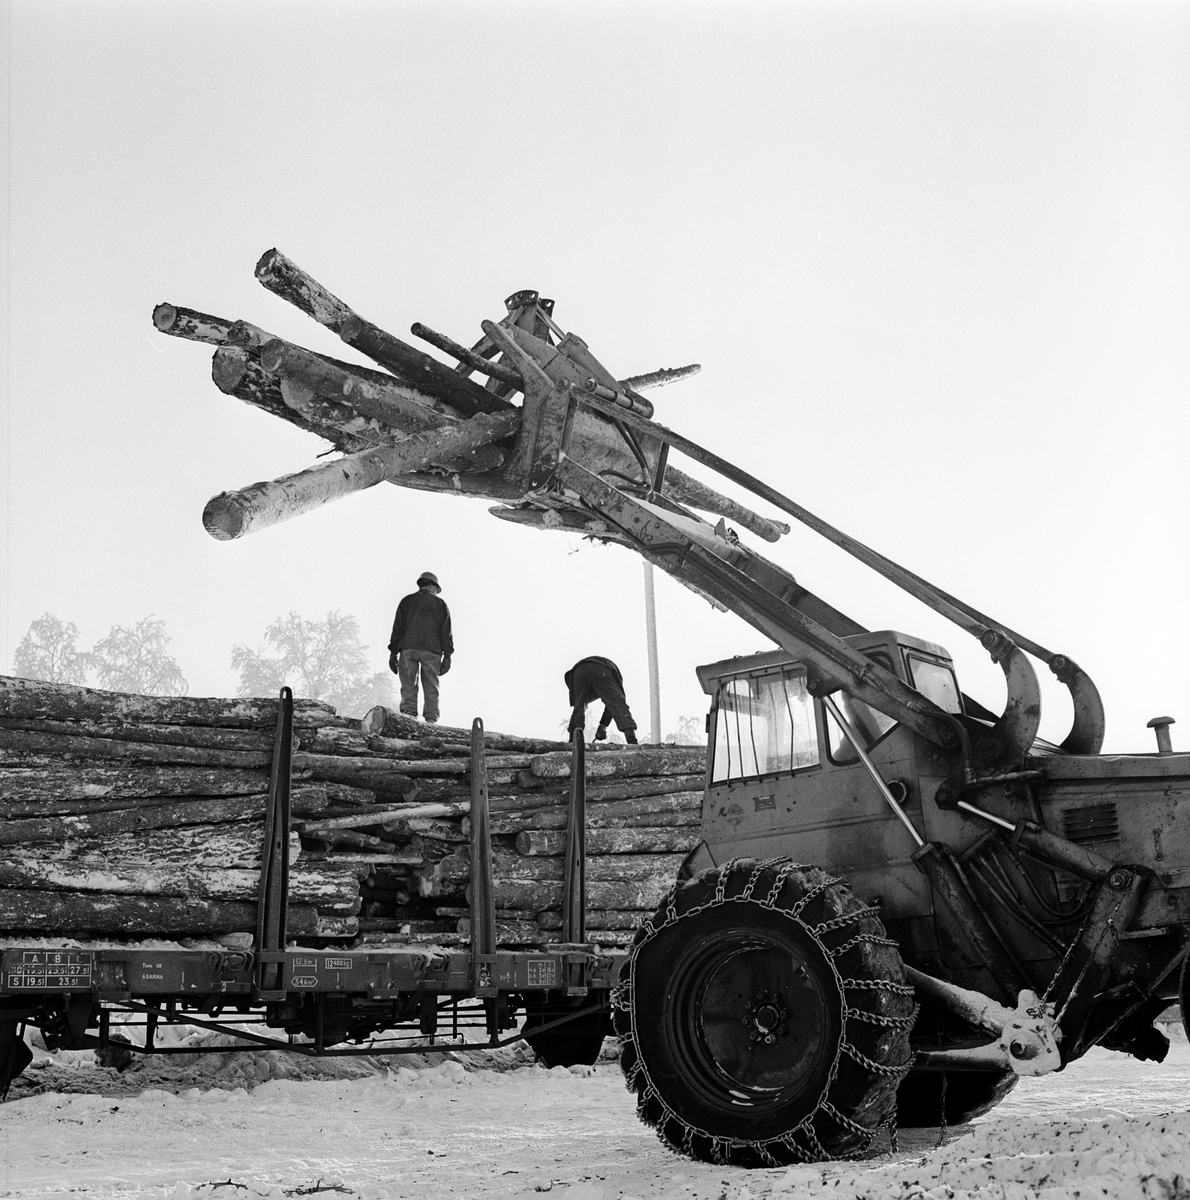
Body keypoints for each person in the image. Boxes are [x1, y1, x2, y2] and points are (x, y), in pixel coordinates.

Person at [388, 572, 453, 724]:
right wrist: (448, 656)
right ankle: (431, 720)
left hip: (408, 649)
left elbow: (397, 629)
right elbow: (446, 632)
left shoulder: (406, 601)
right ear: (432, 586)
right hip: (432, 651)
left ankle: (408, 717)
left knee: (408, 684)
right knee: (431, 686)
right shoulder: (441, 604)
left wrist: (393, 653)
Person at [565, 656, 639, 744]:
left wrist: (602, 726)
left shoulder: (608, 681)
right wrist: (603, 726)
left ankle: (573, 741)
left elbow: (579, 709)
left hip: (579, 671)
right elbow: (614, 705)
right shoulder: (610, 682)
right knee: (617, 705)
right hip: (602, 669)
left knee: (579, 707)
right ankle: (632, 739)